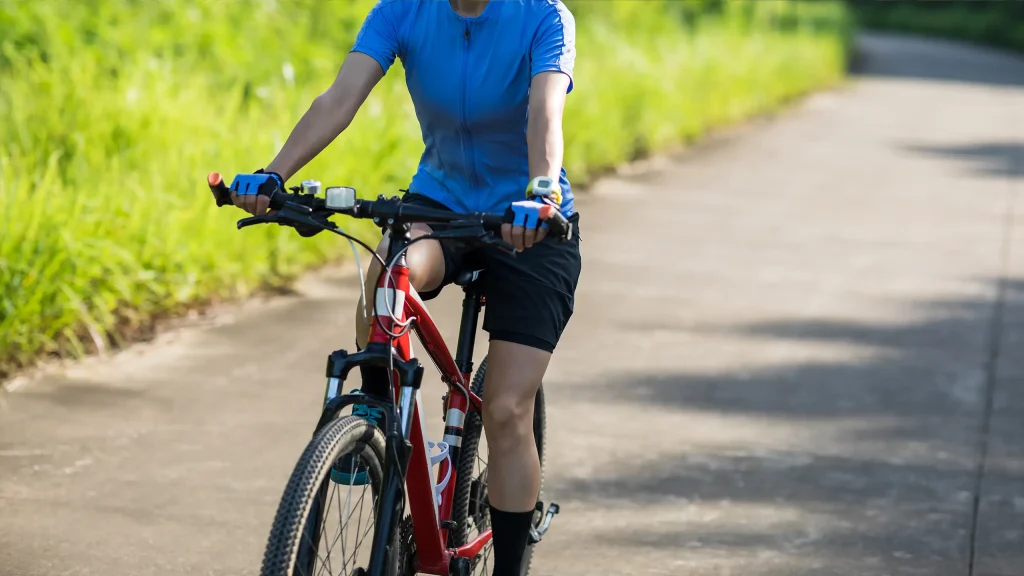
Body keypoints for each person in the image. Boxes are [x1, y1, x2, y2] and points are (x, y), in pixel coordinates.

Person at [229, 1, 580, 574]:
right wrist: (275, 173)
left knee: (508, 408)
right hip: (441, 202)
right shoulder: (402, 9)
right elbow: (339, 99)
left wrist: (540, 191)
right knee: (390, 270)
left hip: (528, 221)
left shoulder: (544, 15)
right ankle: (377, 414)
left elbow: (546, 111)